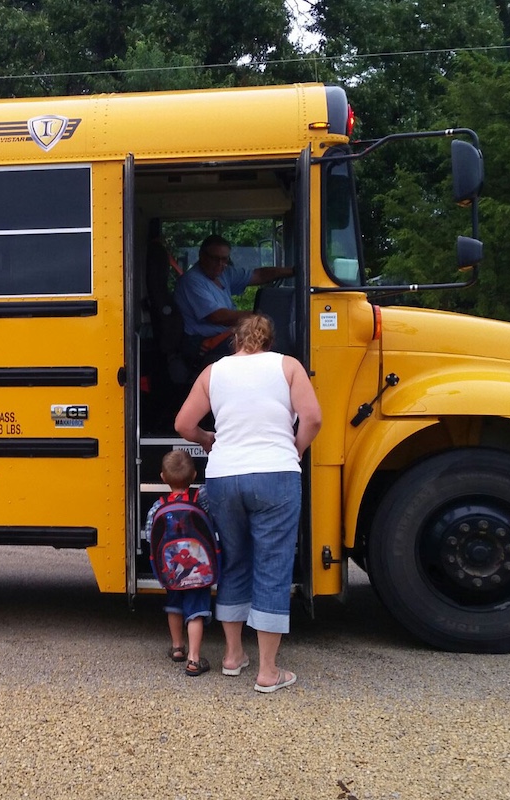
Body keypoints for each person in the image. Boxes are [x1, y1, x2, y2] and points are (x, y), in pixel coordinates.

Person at [174, 313, 321, 693]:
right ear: (268, 341)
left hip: (224, 477)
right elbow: (313, 418)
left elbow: (183, 424)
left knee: (235, 560)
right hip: (275, 473)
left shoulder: (213, 372)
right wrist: (296, 447)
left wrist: (209, 439)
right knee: (272, 564)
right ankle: (268, 672)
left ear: (234, 341)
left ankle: (232, 656)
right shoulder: (288, 366)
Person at [142, 449, 215, 677]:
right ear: (194, 475)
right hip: (198, 570)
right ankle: (194, 658)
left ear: (163, 478)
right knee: (196, 611)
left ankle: (177, 647)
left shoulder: (157, 506)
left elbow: (148, 535)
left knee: (174, 605)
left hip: (172, 570)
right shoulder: (201, 498)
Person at [173, 235, 293, 369]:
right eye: (214, 258)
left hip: (224, 336)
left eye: (224, 259)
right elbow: (218, 317)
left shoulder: (223, 273)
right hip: (202, 342)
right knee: (269, 343)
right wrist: (259, 315)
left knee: (270, 338)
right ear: (202, 255)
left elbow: (258, 275)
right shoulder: (192, 280)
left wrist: (293, 271)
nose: (220, 264)